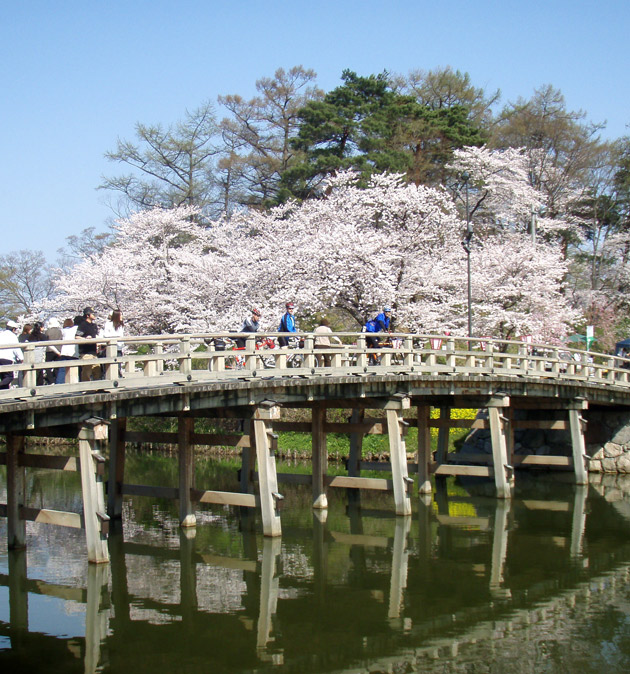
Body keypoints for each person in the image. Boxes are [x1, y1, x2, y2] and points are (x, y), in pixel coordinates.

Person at [76, 307, 102, 382]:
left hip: (94, 351)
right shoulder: (83, 325)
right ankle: (86, 388)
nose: (94, 315)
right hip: (86, 352)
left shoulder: (94, 326)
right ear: (87, 315)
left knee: (97, 369)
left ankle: (98, 388)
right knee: (87, 371)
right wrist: (85, 339)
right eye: (92, 313)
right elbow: (77, 337)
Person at [0, 320, 23, 389]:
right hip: (7, 358)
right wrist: (21, 358)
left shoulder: (1, 334)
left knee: (3, 377)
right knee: (9, 377)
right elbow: (16, 348)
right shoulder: (13, 336)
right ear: (13, 329)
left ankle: (4, 394)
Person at [57, 318, 80, 384]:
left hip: (64, 351)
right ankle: (75, 384)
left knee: (62, 370)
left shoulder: (63, 330)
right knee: (74, 370)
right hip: (73, 352)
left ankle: (59, 385)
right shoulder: (76, 329)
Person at [45, 317, 63, 384]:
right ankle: (56, 379)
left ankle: (51, 380)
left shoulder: (47, 331)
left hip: (49, 350)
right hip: (59, 349)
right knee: (57, 366)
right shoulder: (60, 331)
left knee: (47, 366)